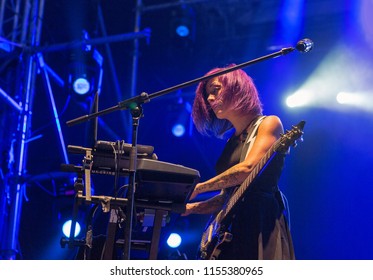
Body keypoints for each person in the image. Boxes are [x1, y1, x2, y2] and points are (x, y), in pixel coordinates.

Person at [182, 65, 295, 260]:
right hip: (233, 231)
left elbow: (248, 169)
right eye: (208, 94)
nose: (209, 99)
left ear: (237, 87)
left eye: (215, 90)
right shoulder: (231, 140)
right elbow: (227, 198)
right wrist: (191, 208)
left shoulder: (269, 123)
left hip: (261, 225)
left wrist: (199, 188)